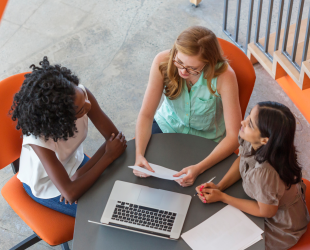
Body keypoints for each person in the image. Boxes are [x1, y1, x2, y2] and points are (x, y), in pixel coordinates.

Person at [10, 57, 127, 217]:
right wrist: (108, 156)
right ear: (61, 119)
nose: (88, 105)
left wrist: (82, 172)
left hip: (74, 164)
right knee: (105, 213)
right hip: (47, 185)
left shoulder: (79, 96)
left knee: (121, 190)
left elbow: (115, 140)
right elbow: (71, 193)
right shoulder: (38, 140)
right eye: (80, 111)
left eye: (84, 98)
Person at [133, 26, 242, 187]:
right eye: (179, 62)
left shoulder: (225, 77)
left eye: (192, 68)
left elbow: (234, 137)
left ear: (208, 63)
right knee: (142, 182)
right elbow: (146, 115)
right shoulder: (162, 61)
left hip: (207, 139)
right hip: (167, 125)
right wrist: (139, 154)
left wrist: (199, 168)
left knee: (199, 193)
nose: (183, 71)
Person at [195, 101, 310, 250]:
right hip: (266, 199)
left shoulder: (266, 173)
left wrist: (223, 197)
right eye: (249, 116)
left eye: (250, 124)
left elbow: (266, 211)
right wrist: (220, 186)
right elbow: (243, 159)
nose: (243, 121)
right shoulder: (256, 141)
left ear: (264, 140)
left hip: (279, 225)